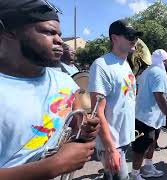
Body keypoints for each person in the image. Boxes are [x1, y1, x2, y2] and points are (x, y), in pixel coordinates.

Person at [0, 1, 100, 179]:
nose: (60, 40)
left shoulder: (65, 82)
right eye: (48, 32)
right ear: (10, 33)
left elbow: (76, 127)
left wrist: (85, 131)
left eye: (59, 34)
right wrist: (52, 166)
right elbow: (55, 165)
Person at [88, 19, 142, 180]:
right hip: (113, 143)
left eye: (135, 36)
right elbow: (97, 111)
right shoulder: (102, 65)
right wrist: (110, 149)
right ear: (114, 38)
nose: (134, 39)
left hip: (124, 138)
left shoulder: (126, 64)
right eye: (129, 36)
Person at [131, 49, 167, 180]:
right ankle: (134, 175)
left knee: (152, 142)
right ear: (165, 61)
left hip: (149, 116)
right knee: (141, 148)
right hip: (146, 117)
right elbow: (159, 96)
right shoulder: (159, 72)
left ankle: (148, 168)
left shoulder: (147, 71)